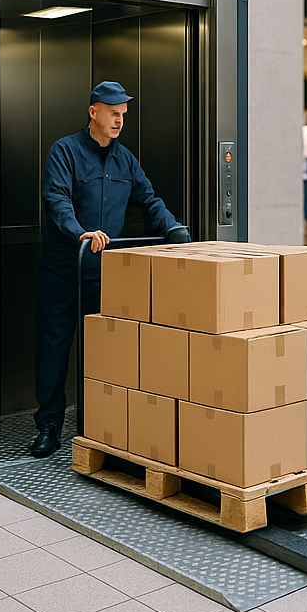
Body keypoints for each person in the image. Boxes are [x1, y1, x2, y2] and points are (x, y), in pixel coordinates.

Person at [31, 81, 187, 458]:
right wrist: (80, 233)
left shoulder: (125, 160)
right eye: (113, 113)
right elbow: (56, 198)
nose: (119, 120)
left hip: (103, 273)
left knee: (102, 349)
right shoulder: (64, 151)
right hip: (63, 267)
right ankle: (49, 426)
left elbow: (148, 198)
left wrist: (173, 229)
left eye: (123, 114)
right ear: (94, 112)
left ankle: (97, 423)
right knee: (54, 346)